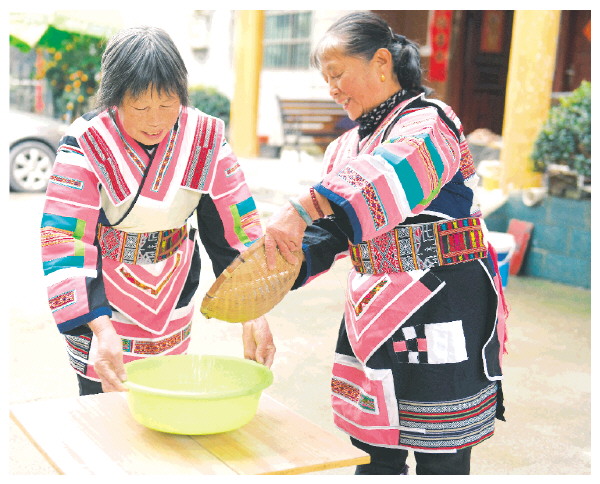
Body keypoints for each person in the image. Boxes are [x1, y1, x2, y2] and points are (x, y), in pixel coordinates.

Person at [264, 12, 508, 475]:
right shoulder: (343, 147)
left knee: (442, 453)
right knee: (374, 450)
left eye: (337, 74)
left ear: (380, 62)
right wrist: (278, 267)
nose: (332, 89)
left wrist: (299, 209)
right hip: (373, 310)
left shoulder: (430, 123)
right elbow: (334, 227)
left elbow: (388, 175)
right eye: (326, 80)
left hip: (442, 302)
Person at [40, 26, 275, 396]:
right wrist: (100, 327)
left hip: (173, 287)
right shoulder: (88, 140)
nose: (155, 120)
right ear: (115, 99)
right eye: (140, 107)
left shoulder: (203, 138)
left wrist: (254, 312)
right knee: (103, 403)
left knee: (165, 396)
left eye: (167, 105)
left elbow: (235, 231)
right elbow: (65, 237)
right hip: (100, 296)